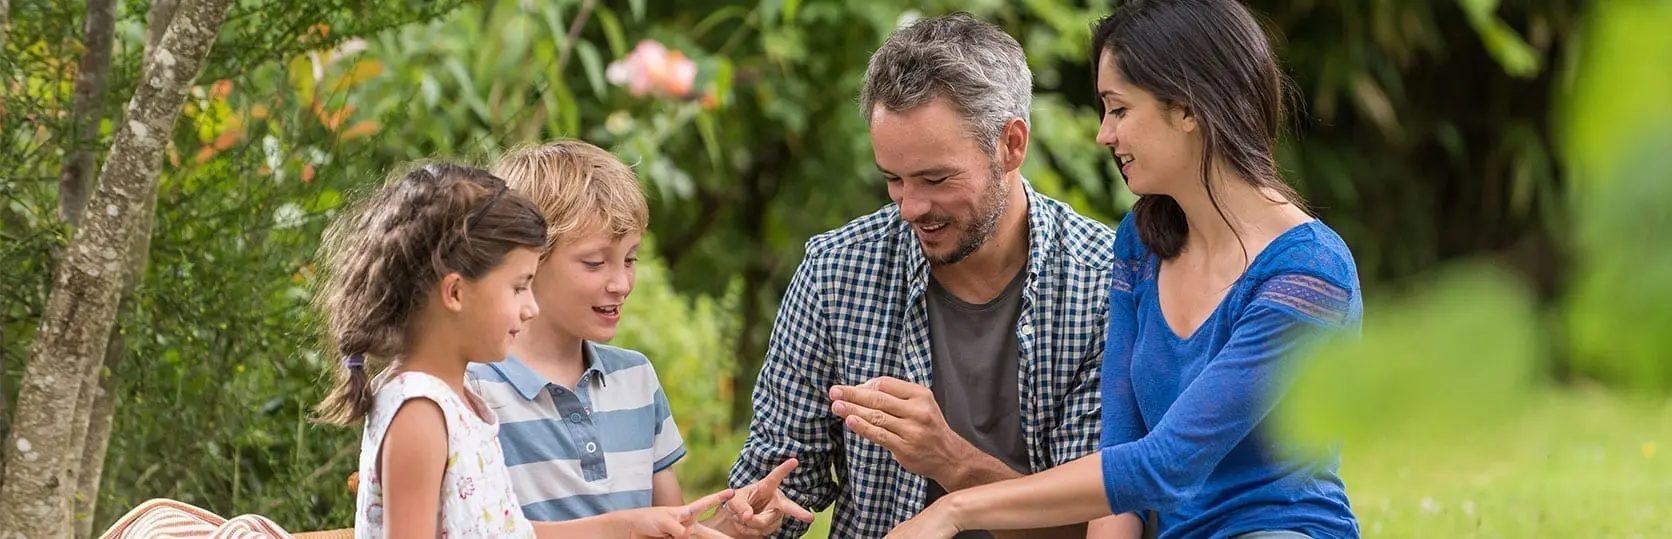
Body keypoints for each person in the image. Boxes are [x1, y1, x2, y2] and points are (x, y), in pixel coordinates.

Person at [885, 0, 1364, 538]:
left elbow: (1164, 464)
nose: (1104, 135)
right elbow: (1120, 459)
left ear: (1187, 108)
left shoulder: (1309, 274)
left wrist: (956, 508)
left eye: (1118, 109)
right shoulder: (1141, 243)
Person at [725, 12, 1120, 539]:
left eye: (936, 178)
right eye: (893, 179)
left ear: (1011, 145)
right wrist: (752, 518)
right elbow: (775, 483)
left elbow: (1094, 525)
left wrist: (951, 461)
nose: (910, 207)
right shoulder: (837, 271)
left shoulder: (1102, 284)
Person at [312, 163, 732, 538]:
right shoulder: (420, 411)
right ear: (455, 292)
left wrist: (628, 525)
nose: (529, 307)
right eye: (518, 287)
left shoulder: (462, 404)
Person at [468, 141, 809, 537]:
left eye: (630, 259)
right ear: (527, 259)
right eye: (595, 263)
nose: (622, 283)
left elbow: (668, 530)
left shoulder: (636, 378)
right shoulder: (474, 389)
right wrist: (621, 528)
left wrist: (730, 525)